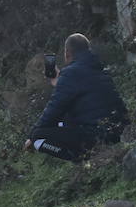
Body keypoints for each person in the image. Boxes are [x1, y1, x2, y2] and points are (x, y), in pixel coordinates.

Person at [24, 32, 129, 162]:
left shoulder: (70, 74)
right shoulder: (98, 68)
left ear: (67, 53)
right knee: (63, 121)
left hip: (97, 135)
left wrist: (31, 137)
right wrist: (58, 83)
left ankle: (81, 159)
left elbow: (54, 109)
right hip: (118, 130)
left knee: (38, 137)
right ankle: (87, 155)